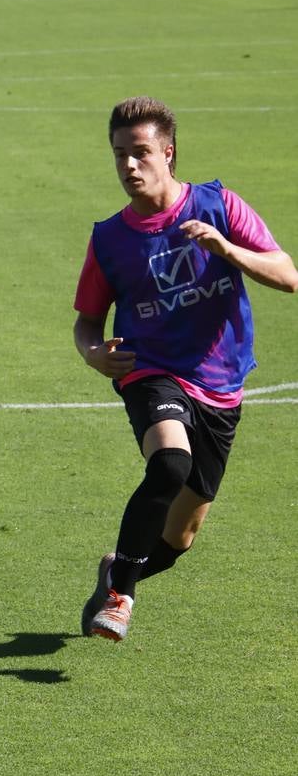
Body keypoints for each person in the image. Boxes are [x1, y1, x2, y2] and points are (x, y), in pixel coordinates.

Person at [73, 96, 297, 642]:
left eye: (141, 153)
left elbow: (288, 275)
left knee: (179, 540)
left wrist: (229, 251)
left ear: (168, 154)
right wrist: (93, 354)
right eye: (120, 154)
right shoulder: (110, 238)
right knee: (171, 461)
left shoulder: (219, 206)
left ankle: (115, 572)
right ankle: (123, 592)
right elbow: (86, 323)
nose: (129, 165)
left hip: (220, 383)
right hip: (149, 370)